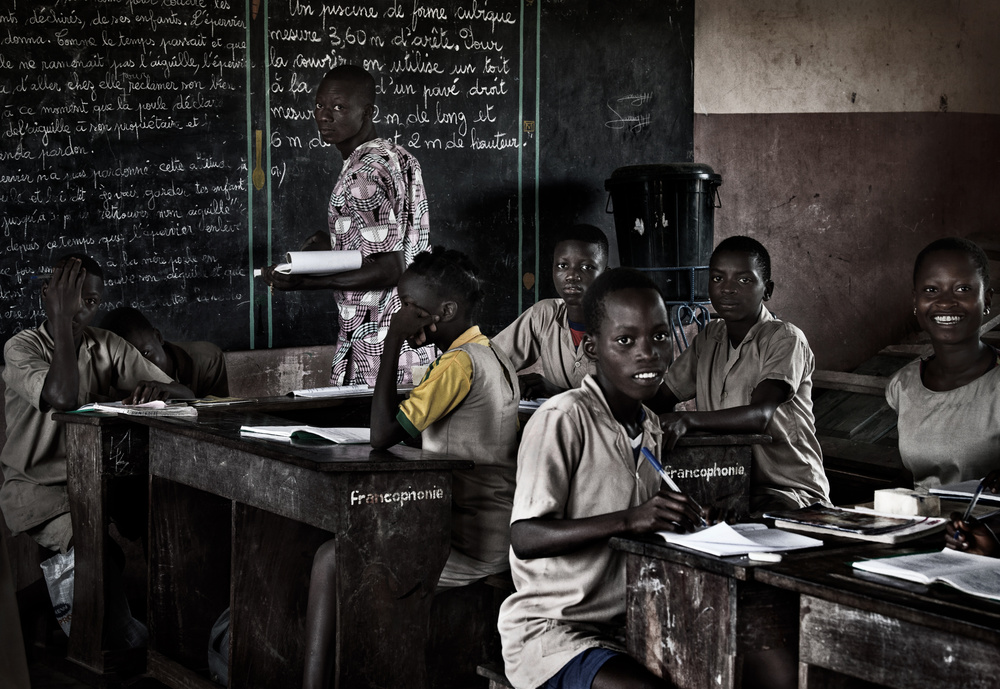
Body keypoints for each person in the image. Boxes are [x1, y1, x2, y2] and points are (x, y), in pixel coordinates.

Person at [302, 248, 519, 689]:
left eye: (409, 307)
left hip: (470, 538)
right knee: (340, 547)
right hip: (487, 524)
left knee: (331, 558)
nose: (401, 314)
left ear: (445, 311)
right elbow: (430, 432)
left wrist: (392, 341)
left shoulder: (459, 364)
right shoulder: (488, 352)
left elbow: (382, 434)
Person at [498, 268, 702, 689]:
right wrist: (631, 520)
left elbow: (645, 518)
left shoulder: (648, 424)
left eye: (660, 337)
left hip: (628, 623)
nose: (648, 353)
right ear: (592, 347)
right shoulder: (562, 418)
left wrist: (684, 520)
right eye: (625, 341)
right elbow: (526, 537)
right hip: (554, 634)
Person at [0, 254, 195, 554]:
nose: (79, 309)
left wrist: (160, 387)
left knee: (166, 518)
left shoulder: (106, 345)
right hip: (39, 490)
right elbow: (61, 397)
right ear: (46, 295)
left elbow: (187, 395)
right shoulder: (20, 348)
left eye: (90, 301)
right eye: (69, 299)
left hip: (95, 478)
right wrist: (62, 319)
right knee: (97, 556)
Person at [261, 64, 431, 386]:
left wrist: (305, 282)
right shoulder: (399, 157)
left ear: (368, 112)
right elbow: (396, 241)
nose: (324, 116)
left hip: (376, 343)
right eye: (320, 105)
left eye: (339, 107)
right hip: (413, 340)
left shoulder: (360, 176)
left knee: (368, 434)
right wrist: (339, 241)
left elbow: (391, 268)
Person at [658, 236, 830, 514]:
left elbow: (761, 414)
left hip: (786, 489)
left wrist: (686, 419)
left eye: (744, 280)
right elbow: (662, 398)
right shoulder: (709, 339)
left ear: (768, 290)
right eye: (717, 279)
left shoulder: (784, 339)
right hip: (726, 481)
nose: (727, 289)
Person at [885, 237, 997, 490]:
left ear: (987, 299)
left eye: (963, 289)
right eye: (932, 290)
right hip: (922, 525)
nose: (946, 302)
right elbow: (915, 477)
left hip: (982, 527)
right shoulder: (903, 384)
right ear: (916, 301)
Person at [493, 224, 609, 399]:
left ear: (605, 275)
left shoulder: (625, 326)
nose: (571, 275)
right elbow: (489, 362)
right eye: (562, 265)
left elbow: (635, 405)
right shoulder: (544, 315)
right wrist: (517, 383)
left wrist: (558, 393)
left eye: (586, 267)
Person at [100, 306, 229, 398]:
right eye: (131, 362)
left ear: (158, 337)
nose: (145, 367)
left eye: (145, 354)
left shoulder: (207, 359)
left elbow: (219, 416)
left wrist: (167, 389)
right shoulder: (112, 380)